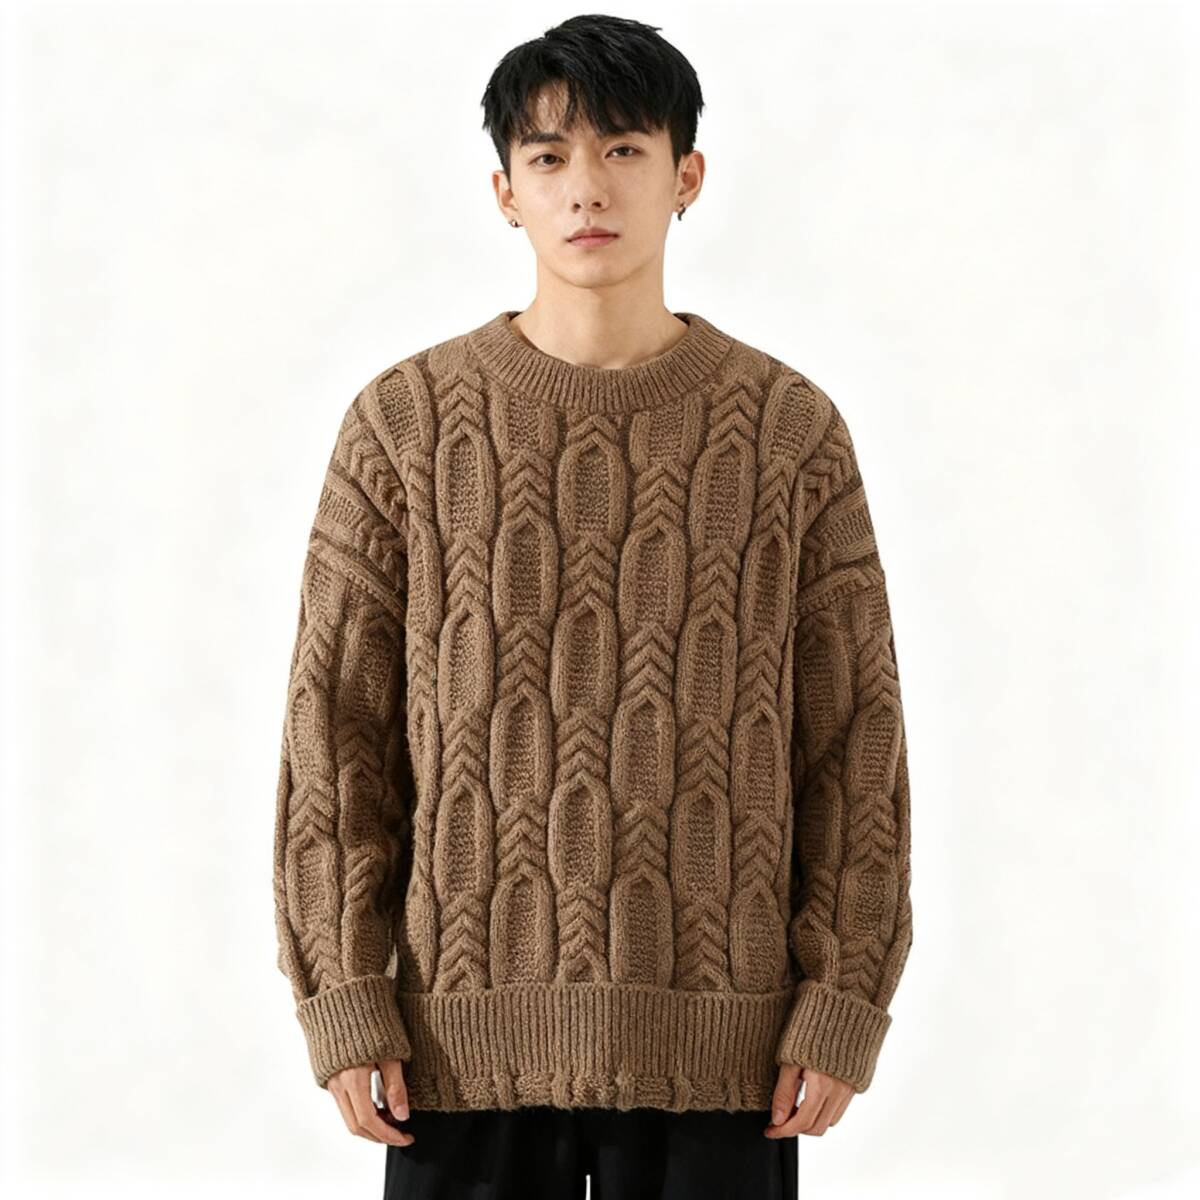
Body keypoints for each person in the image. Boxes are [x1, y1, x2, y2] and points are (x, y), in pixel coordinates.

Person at [272, 13, 913, 1198]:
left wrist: (843, 997)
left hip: (724, 1055)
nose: (587, 188)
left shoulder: (789, 431)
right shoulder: (405, 425)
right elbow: (337, 733)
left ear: (687, 175)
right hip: (454, 1053)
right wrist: (345, 992)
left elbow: (853, 739)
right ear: (505, 192)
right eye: (549, 155)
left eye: (624, 149)